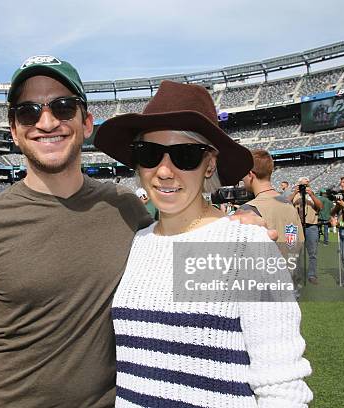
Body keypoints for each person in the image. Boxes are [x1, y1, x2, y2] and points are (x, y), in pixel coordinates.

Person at [0, 56, 277, 408]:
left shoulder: (126, 208)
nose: (46, 121)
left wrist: (237, 227)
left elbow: (182, 238)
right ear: (13, 128)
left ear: (86, 122)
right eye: (28, 111)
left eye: (62, 106)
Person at [94, 80, 312, 407]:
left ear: (210, 163)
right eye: (149, 153)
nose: (164, 171)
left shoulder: (247, 245)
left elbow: (282, 385)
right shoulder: (136, 242)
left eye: (185, 155)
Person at [239, 149, 304, 257]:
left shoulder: (247, 210)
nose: (242, 178)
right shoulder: (288, 204)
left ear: (250, 174)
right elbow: (299, 243)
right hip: (291, 269)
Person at [289, 177, 322, 284]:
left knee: (312, 253)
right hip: (297, 226)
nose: (305, 187)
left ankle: (312, 275)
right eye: (302, 185)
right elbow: (285, 204)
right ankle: (296, 274)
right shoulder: (294, 195)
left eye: (306, 184)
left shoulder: (312, 195)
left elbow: (320, 206)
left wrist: (311, 194)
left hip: (311, 226)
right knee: (295, 252)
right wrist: (295, 193)